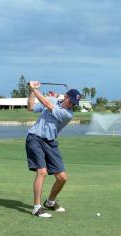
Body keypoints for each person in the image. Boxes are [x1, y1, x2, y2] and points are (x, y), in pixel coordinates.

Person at [26, 81, 81, 218]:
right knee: (42, 172)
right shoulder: (52, 99)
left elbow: (47, 105)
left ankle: (50, 202)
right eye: (71, 101)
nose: (72, 105)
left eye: (74, 104)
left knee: (62, 178)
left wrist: (34, 88)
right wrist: (31, 91)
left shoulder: (68, 114)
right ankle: (37, 207)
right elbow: (31, 107)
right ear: (66, 96)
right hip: (35, 138)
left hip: (50, 142)